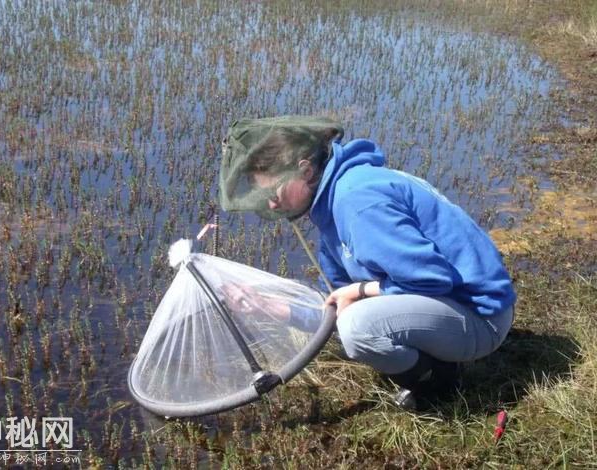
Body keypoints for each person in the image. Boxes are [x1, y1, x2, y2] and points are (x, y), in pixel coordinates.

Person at [219, 116, 516, 411]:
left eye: (274, 193)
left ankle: (439, 381)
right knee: (352, 314)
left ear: (306, 171)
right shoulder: (331, 204)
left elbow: (433, 279)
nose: (271, 205)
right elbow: (335, 302)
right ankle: (431, 360)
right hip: (449, 305)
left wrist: (360, 290)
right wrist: (270, 307)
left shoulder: (356, 201)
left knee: (357, 327)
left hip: (482, 317)